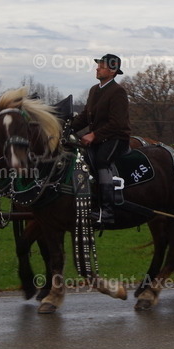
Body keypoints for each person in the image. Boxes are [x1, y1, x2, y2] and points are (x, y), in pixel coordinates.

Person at [70, 53, 132, 225]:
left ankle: (107, 210)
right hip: (99, 139)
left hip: (116, 138)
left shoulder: (118, 92)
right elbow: (84, 116)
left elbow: (117, 123)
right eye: (98, 65)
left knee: (101, 161)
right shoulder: (94, 90)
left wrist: (94, 135)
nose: (97, 68)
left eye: (102, 66)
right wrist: (67, 127)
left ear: (112, 71)